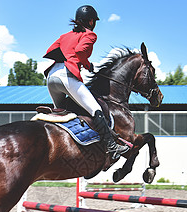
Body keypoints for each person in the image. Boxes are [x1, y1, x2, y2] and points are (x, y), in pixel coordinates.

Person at [43, 5, 129, 160]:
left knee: (61, 112)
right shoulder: (90, 35)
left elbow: (51, 50)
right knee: (97, 110)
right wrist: (87, 65)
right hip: (66, 77)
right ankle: (112, 146)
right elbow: (81, 52)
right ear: (91, 21)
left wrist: (67, 54)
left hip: (51, 77)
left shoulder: (64, 36)